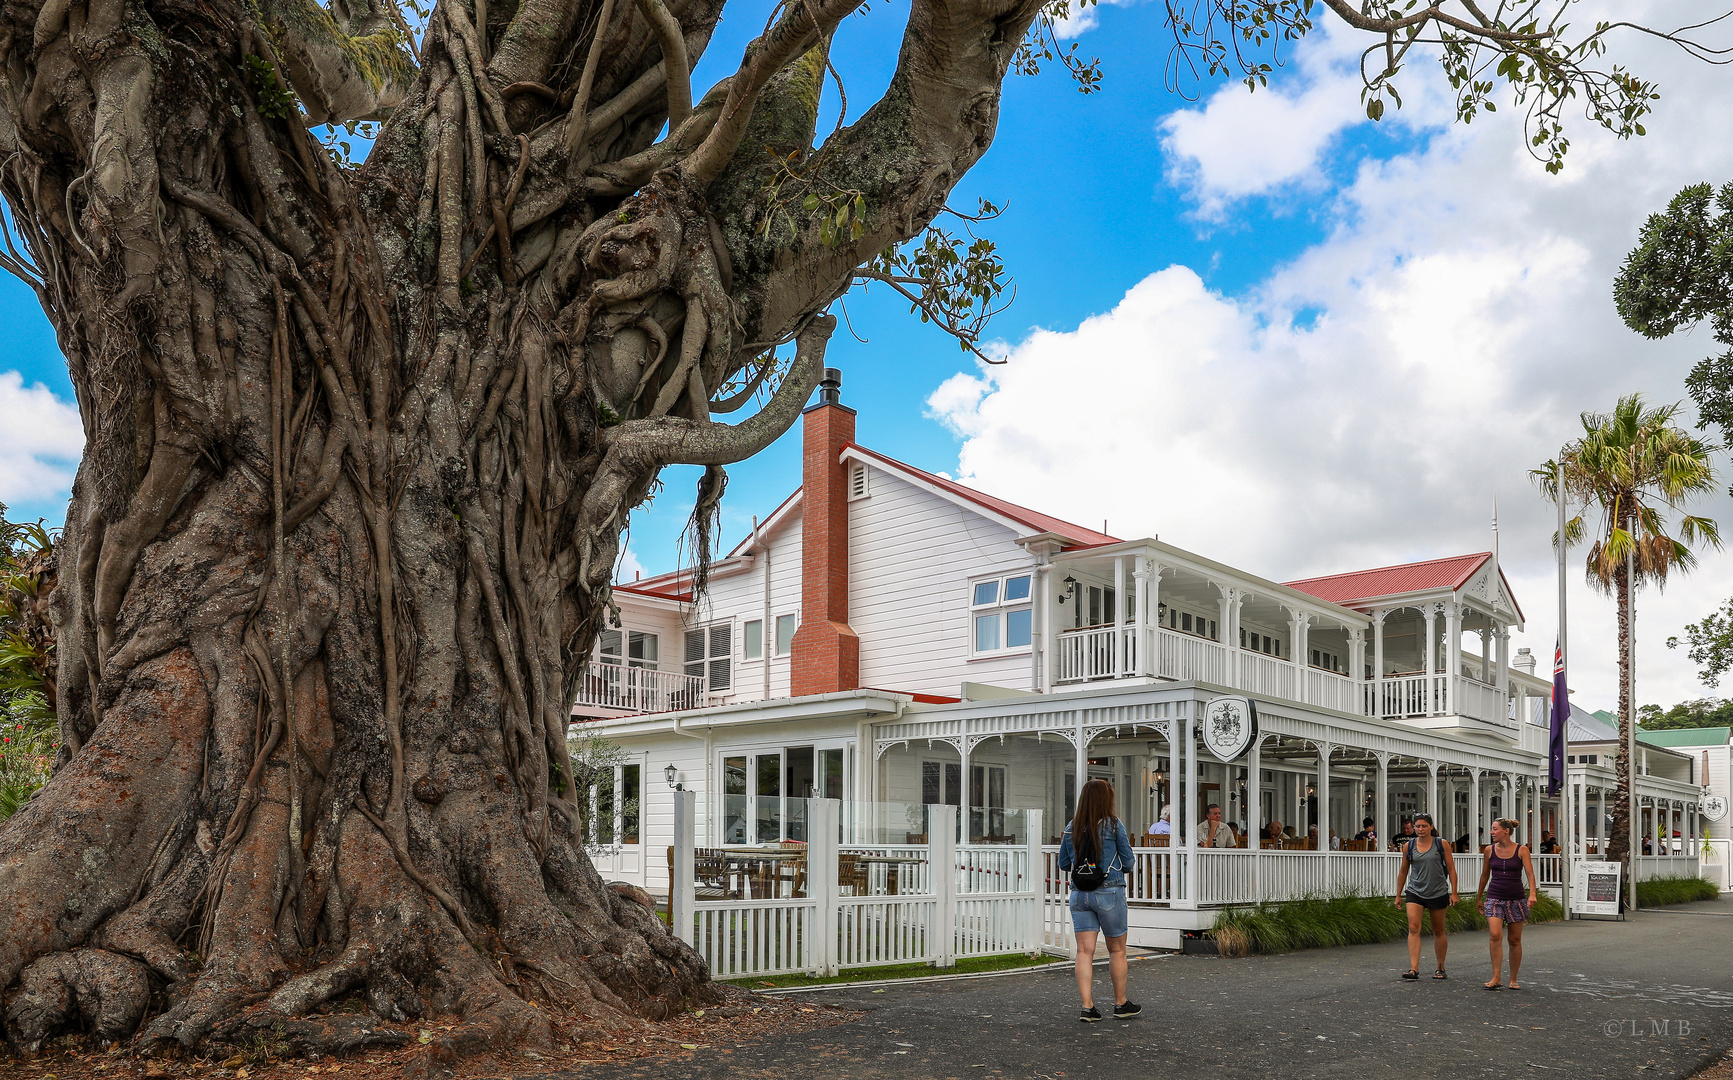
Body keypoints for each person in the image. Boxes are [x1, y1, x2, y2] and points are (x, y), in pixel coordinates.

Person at [1058, 779, 1141, 1022]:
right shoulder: (1114, 825)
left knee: (1084, 951)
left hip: (1079, 894)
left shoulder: (1072, 826)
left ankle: (1087, 1007)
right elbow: (1128, 861)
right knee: (1117, 950)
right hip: (1108, 892)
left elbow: (1063, 863)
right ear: (1107, 800)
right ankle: (1121, 1004)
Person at [1393, 813, 1459, 981]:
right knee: (1414, 927)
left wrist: (1454, 892)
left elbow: (1451, 869)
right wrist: (1398, 895)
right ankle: (1414, 968)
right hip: (1415, 891)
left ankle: (1440, 967)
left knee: (1438, 930)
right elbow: (1403, 871)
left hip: (1437, 891)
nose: (1420, 829)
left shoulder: (1441, 844)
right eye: (1417, 826)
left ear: (1431, 827)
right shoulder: (1409, 845)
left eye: (1423, 826)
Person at [1476, 817, 1538, 990]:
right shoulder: (1489, 850)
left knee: (1514, 940)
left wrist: (1532, 894)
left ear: (1506, 831)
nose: (1492, 832)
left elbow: (1530, 874)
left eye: (1495, 829)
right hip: (1495, 897)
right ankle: (1496, 976)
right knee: (1495, 935)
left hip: (1516, 898)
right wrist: (1479, 898)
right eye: (1492, 829)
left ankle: (1513, 979)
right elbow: (1484, 875)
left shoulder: (1522, 850)